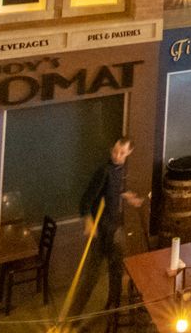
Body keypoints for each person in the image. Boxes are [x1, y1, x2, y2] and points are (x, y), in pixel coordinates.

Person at [66, 136, 143, 326]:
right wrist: (88, 221)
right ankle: (72, 318)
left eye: (122, 153)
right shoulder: (104, 171)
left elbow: (114, 191)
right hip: (101, 232)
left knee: (116, 272)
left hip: (115, 229)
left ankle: (113, 308)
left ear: (129, 153)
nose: (117, 156)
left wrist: (127, 196)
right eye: (115, 151)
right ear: (112, 148)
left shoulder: (119, 170)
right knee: (91, 276)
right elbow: (85, 201)